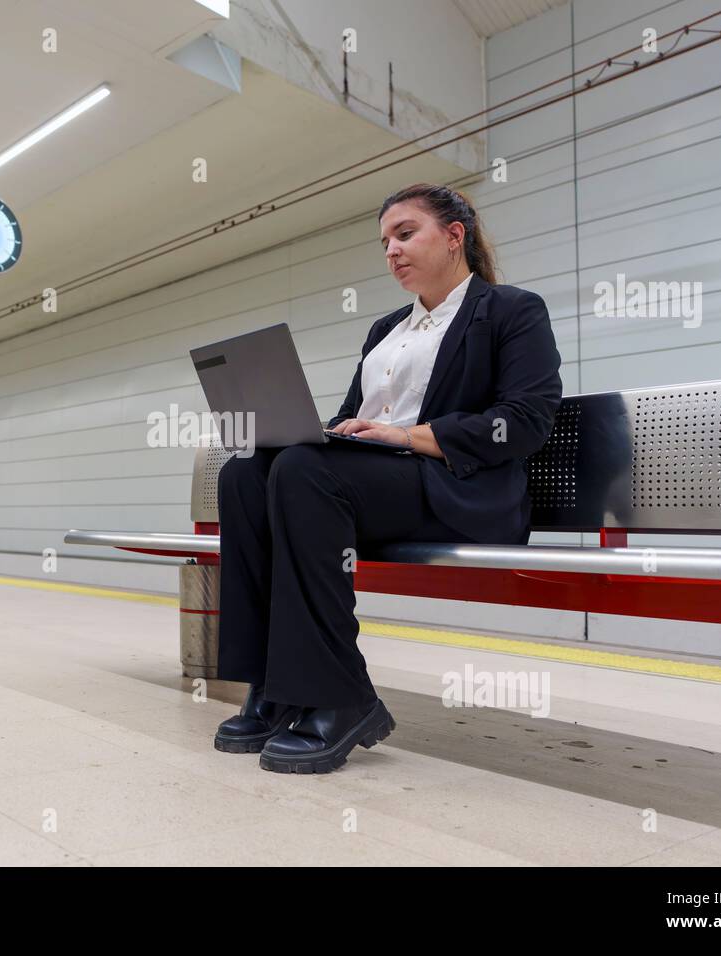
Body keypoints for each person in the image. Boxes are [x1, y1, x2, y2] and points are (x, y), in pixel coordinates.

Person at [213, 183, 563, 773]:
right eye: (385, 242)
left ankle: (337, 695)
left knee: (302, 471)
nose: (391, 252)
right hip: (373, 486)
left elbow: (525, 422)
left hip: (453, 487)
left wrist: (407, 436)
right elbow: (357, 418)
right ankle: (273, 685)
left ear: (455, 237)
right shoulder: (386, 330)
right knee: (245, 474)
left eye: (405, 234)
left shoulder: (509, 310)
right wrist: (324, 431)